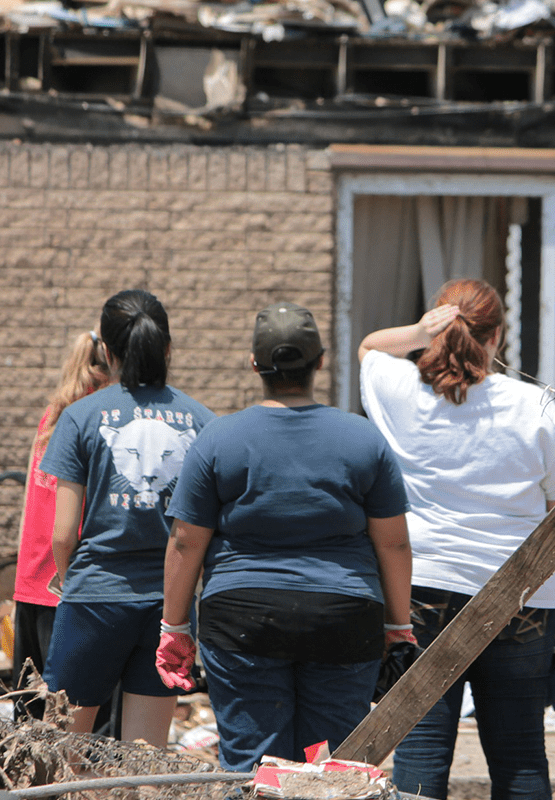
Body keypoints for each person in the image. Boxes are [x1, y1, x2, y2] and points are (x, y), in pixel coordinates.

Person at [158, 301, 414, 772]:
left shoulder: (217, 439)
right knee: (332, 765)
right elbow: (393, 543)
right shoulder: (363, 439)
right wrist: (398, 627)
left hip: (242, 621)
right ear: (320, 362)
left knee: (255, 768)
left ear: (254, 365)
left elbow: (185, 542)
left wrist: (174, 628)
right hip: (342, 619)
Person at [359, 278, 555, 800]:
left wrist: (419, 332)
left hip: (423, 590)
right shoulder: (534, 405)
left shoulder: (401, 392)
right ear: (497, 336)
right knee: (520, 755)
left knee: (421, 750)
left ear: (435, 328)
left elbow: (370, 347)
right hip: (522, 598)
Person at [39, 289, 215, 748]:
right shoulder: (202, 421)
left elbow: (63, 534)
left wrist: (69, 580)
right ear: (167, 347)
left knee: (63, 752)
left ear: (107, 350)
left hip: (93, 597)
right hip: (169, 608)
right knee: (145, 756)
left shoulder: (80, 417)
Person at [12, 329, 109, 721]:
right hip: (68, 581)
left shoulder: (51, 416)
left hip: (32, 579)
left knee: (31, 714)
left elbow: (29, 504)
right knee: (77, 718)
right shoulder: (98, 421)